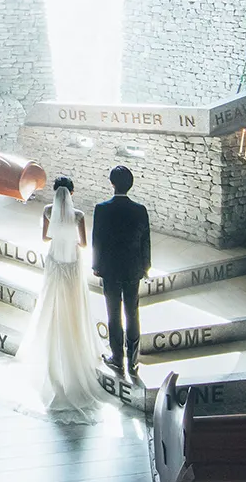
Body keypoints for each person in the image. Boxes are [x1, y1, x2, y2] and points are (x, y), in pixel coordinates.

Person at [18, 176, 100, 419]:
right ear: (71, 193)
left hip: (55, 260)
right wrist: (71, 237)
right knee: (75, 303)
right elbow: (84, 244)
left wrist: (58, 232)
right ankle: (75, 336)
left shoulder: (46, 211)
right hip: (72, 261)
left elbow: (45, 238)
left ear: (55, 193)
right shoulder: (78, 215)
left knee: (50, 300)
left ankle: (52, 334)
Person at [93, 166, 152, 379]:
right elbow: (146, 241)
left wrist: (96, 266)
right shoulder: (140, 210)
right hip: (133, 267)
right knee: (132, 313)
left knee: (113, 314)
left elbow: (97, 241)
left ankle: (117, 358)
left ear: (112, 183)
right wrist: (146, 266)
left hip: (110, 268)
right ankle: (133, 360)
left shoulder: (102, 209)